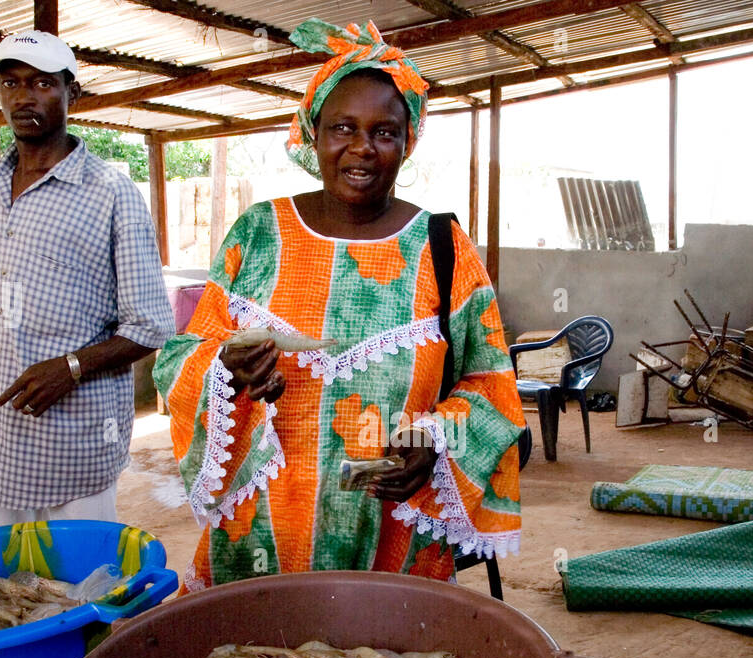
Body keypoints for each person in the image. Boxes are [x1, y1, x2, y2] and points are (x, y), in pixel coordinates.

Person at [153, 19, 523, 593]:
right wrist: (225, 371)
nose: (361, 148)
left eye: (384, 132)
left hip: (392, 529)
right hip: (255, 536)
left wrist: (433, 442)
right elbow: (181, 357)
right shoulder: (257, 234)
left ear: (408, 141)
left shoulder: (445, 248)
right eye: (342, 127)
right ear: (311, 132)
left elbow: (490, 385)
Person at [0, 30, 173, 527]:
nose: (23, 97)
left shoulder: (110, 192)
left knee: (78, 589)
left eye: (42, 83)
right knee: (7, 593)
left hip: (70, 449)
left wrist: (69, 367)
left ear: (72, 93)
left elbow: (150, 326)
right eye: (10, 82)